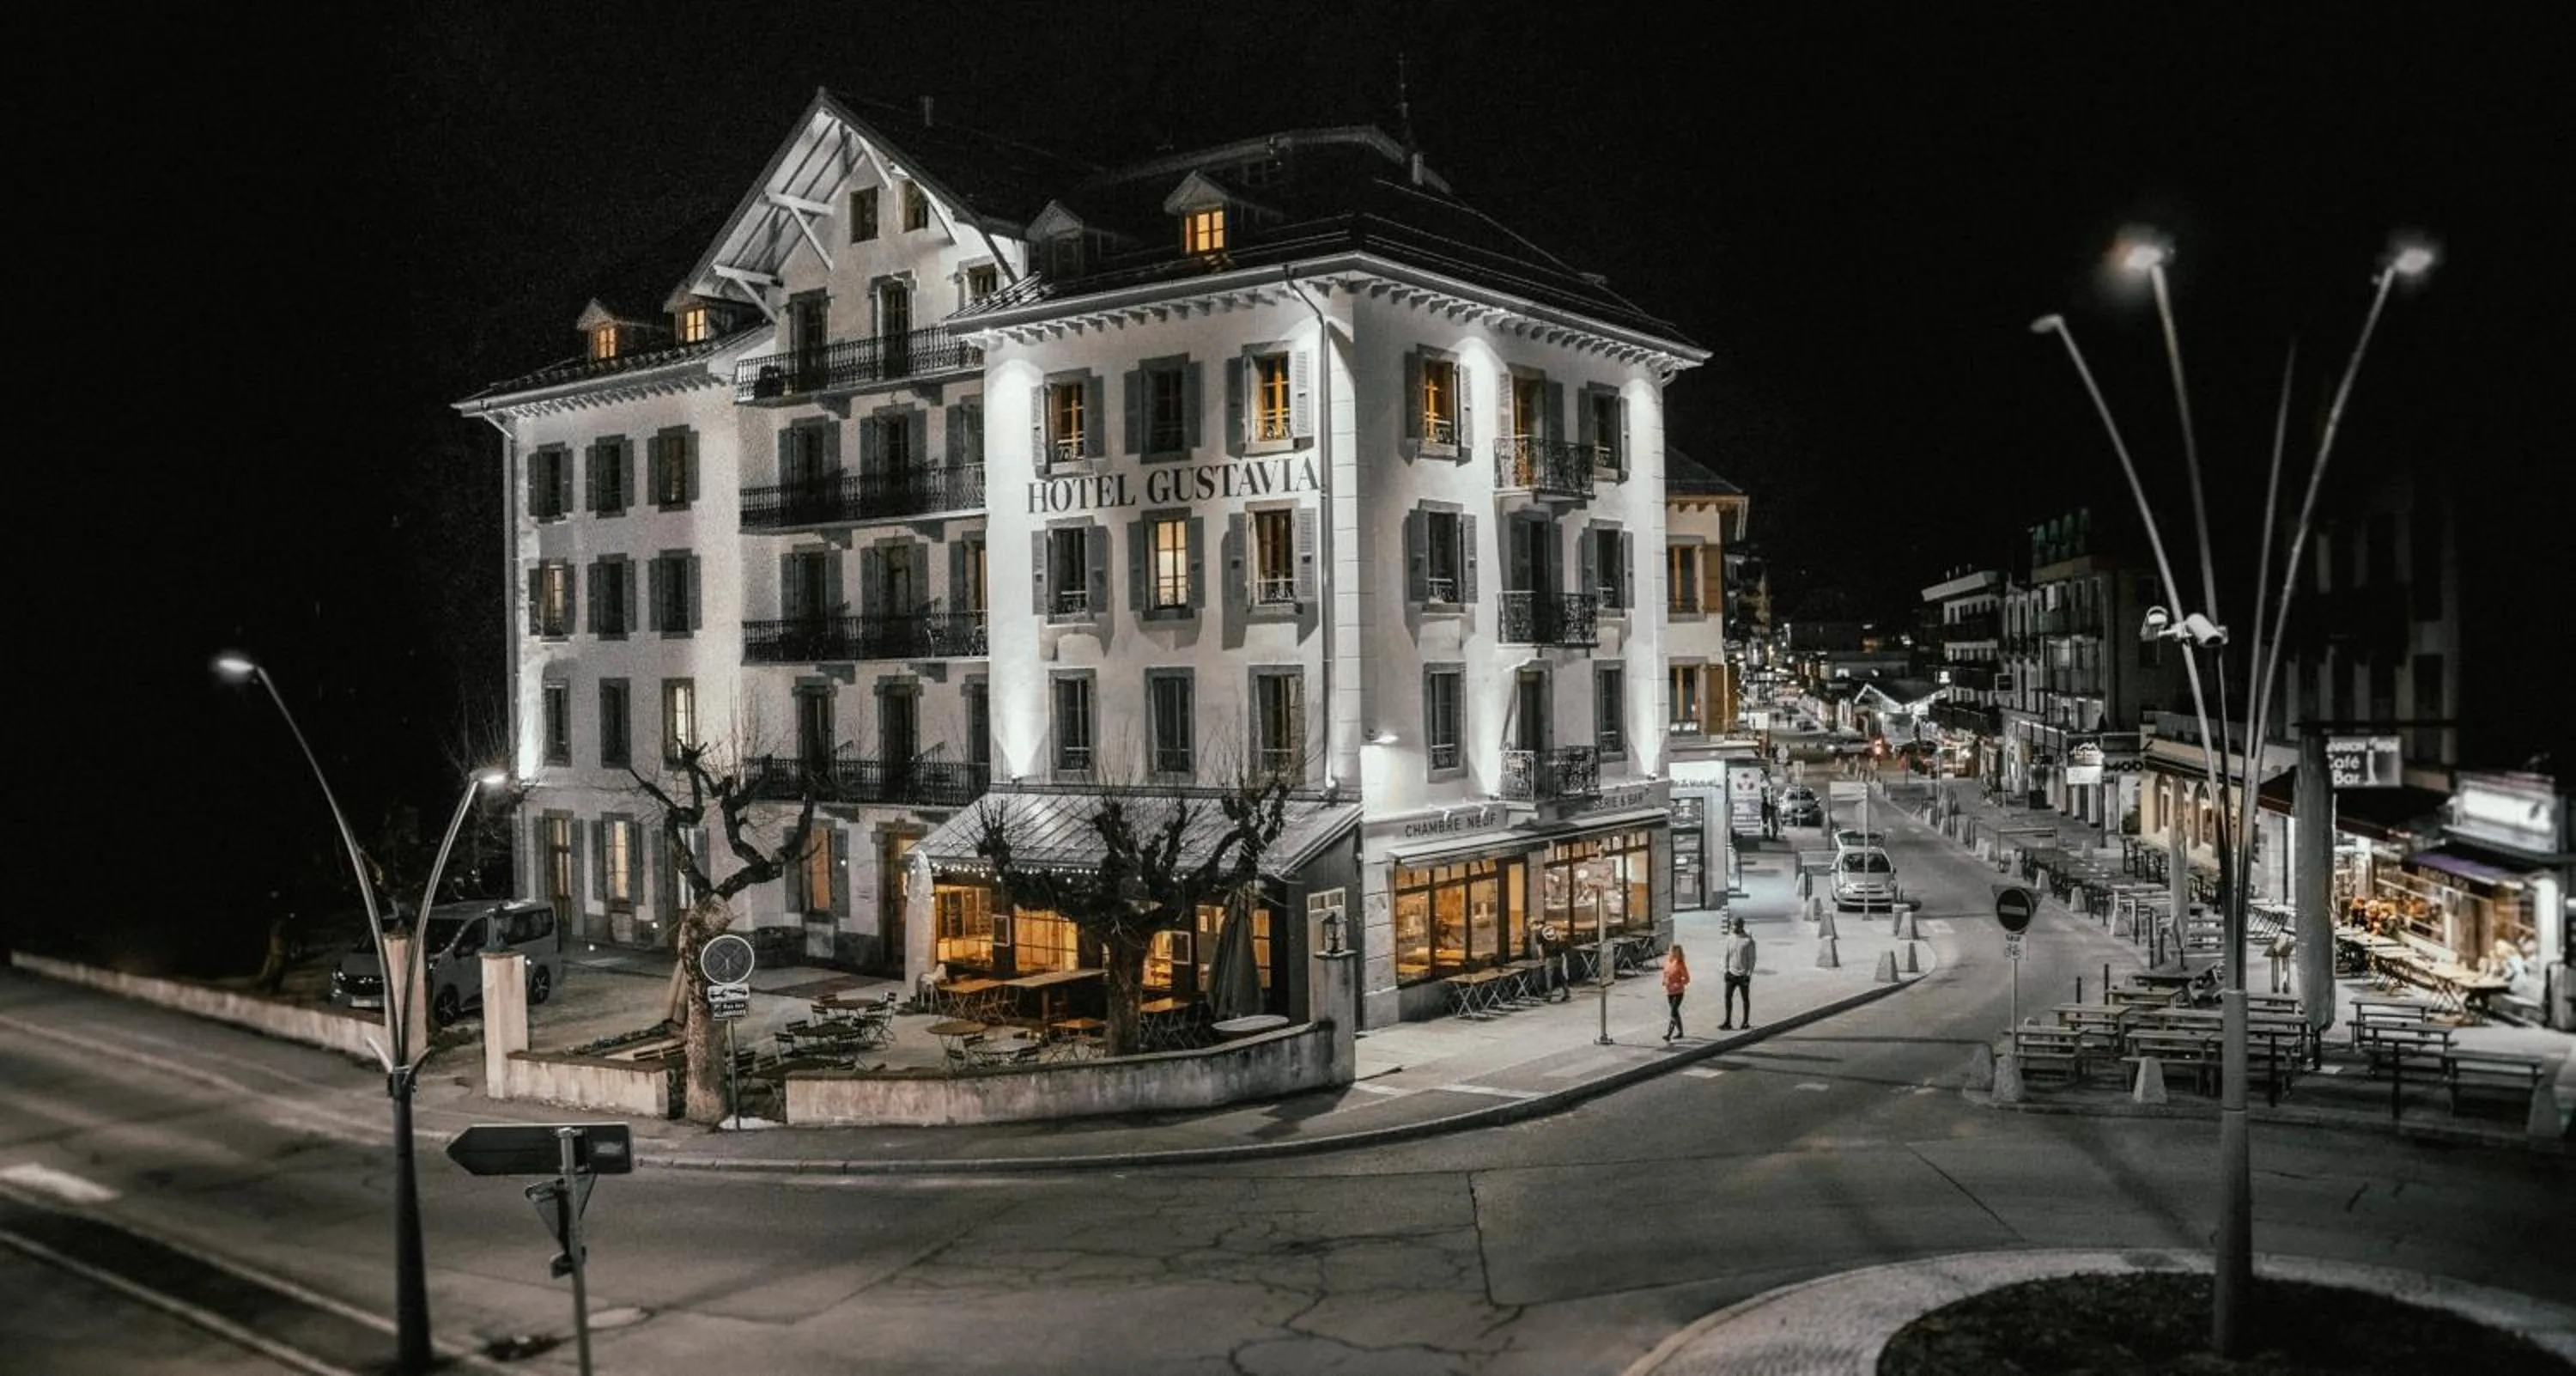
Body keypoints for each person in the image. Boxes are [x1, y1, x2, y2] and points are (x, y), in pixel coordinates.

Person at [1719, 916, 1757, 1029]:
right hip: (1731, 973)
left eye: (1734, 925)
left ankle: (1745, 1022)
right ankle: (1728, 1022)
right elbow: (1726, 955)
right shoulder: (1730, 938)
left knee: (1745, 999)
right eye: (1732, 925)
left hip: (1743, 975)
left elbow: (1752, 959)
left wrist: (1749, 974)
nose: (1732, 927)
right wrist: (1726, 970)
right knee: (1727, 997)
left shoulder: (1748, 941)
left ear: (1740, 926)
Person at [1661, 943, 1692, 1041]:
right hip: (1669, 991)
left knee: (1673, 1012)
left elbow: (1687, 978)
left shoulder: (1680, 964)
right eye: (1671, 951)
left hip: (1678, 992)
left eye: (1673, 951)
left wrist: (1678, 983)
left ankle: (1668, 1034)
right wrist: (1664, 981)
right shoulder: (1668, 962)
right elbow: (1665, 974)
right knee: (1676, 1013)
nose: (1671, 952)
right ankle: (1681, 1032)